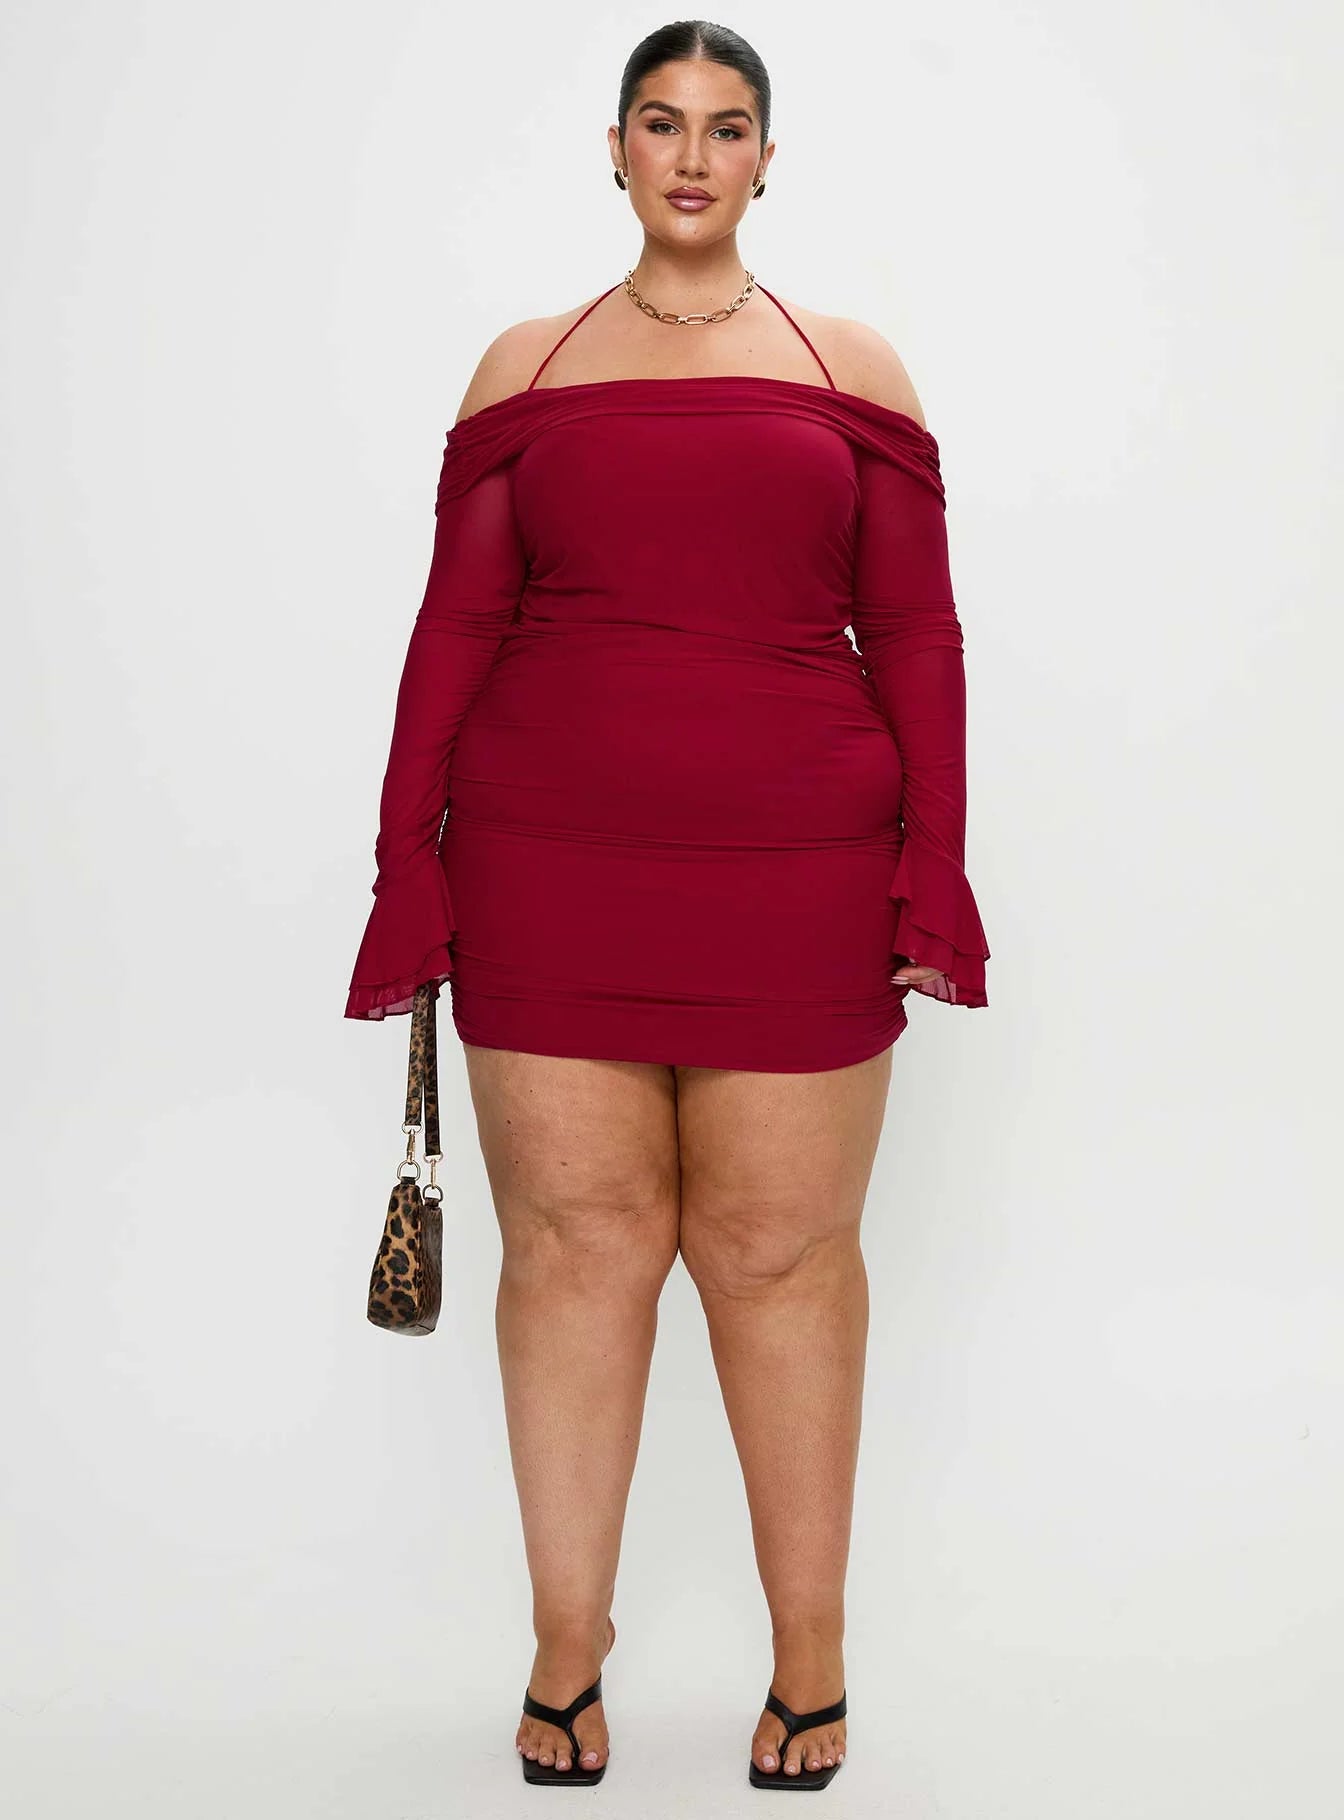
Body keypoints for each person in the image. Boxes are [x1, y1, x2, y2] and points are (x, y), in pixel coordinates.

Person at [344, 18, 990, 1792]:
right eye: (661, 122)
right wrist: (408, 863)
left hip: (800, 870)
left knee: (781, 1260)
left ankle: (810, 1657)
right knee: (574, 1250)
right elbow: (456, 625)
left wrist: (933, 862)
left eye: (726, 127)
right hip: (548, 863)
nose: (692, 154)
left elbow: (915, 632)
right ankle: (568, 1652)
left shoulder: (852, 366)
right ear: (615, 150)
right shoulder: (526, 366)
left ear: (769, 159)